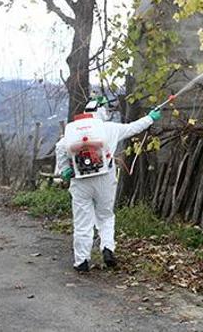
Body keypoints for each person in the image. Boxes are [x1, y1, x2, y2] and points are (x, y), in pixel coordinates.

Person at [54, 97, 161, 272]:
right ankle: (107, 249)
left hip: (80, 181)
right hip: (104, 178)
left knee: (82, 222)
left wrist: (65, 168)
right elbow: (133, 128)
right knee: (105, 216)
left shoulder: (72, 130)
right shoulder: (109, 128)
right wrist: (150, 118)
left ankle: (82, 261)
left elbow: (60, 147)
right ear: (101, 111)